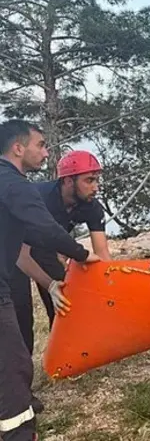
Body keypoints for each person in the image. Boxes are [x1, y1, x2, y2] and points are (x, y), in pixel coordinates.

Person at [0, 120, 99, 441]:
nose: (46, 152)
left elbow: (23, 244)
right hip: (9, 273)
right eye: (40, 145)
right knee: (14, 362)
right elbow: (41, 231)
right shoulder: (17, 185)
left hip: (16, 261)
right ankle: (18, 431)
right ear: (18, 147)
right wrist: (81, 255)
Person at [9, 150, 112, 357]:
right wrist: (50, 284)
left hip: (41, 247)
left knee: (67, 297)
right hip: (11, 248)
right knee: (21, 311)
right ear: (67, 181)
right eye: (89, 180)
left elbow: (102, 253)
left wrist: (112, 289)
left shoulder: (92, 207)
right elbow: (22, 255)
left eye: (97, 180)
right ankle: (20, 375)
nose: (96, 187)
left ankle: (68, 355)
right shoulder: (41, 200)